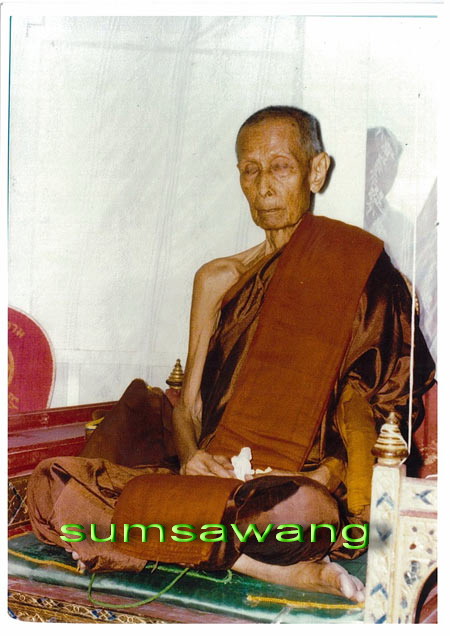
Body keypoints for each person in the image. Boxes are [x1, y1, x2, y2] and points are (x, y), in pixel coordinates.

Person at [27, 106, 435, 604]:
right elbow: (187, 408)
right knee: (50, 487)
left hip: (295, 489)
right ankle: (276, 569)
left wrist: (323, 474)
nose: (264, 187)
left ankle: (161, 537)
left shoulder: (359, 268)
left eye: (281, 168)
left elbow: (386, 405)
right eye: (250, 170)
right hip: (212, 482)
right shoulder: (217, 279)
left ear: (317, 171)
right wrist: (192, 457)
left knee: (301, 515)